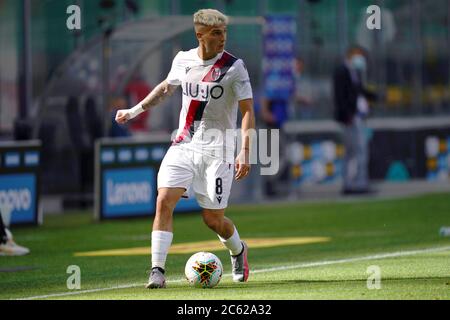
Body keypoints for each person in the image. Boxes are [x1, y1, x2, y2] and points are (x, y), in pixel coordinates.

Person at [115, 9, 254, 289]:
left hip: (219, 151)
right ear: (199, 35)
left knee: (213, 220)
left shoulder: (234, 67)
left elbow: (248, 111)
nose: (222, 38)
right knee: (164, 200)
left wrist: (245, 151)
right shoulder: (183, 60)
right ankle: (157, 270)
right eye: (216, 33)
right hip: (184, 144)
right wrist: (134, 110)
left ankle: (238, 250)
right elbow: (166, 88)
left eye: (224, 32)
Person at [333, 46, 378, 195]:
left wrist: (375, 96)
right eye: (360, 55)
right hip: (350, 118)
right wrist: (347, 115)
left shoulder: (354, 73)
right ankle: (356, 184)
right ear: (352, 54)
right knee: (357, 151)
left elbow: (359, 91)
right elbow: (340, 96)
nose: (361, 59)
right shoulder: (341, 71)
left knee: (356, 151)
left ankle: (356, 183)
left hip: (357, 117)